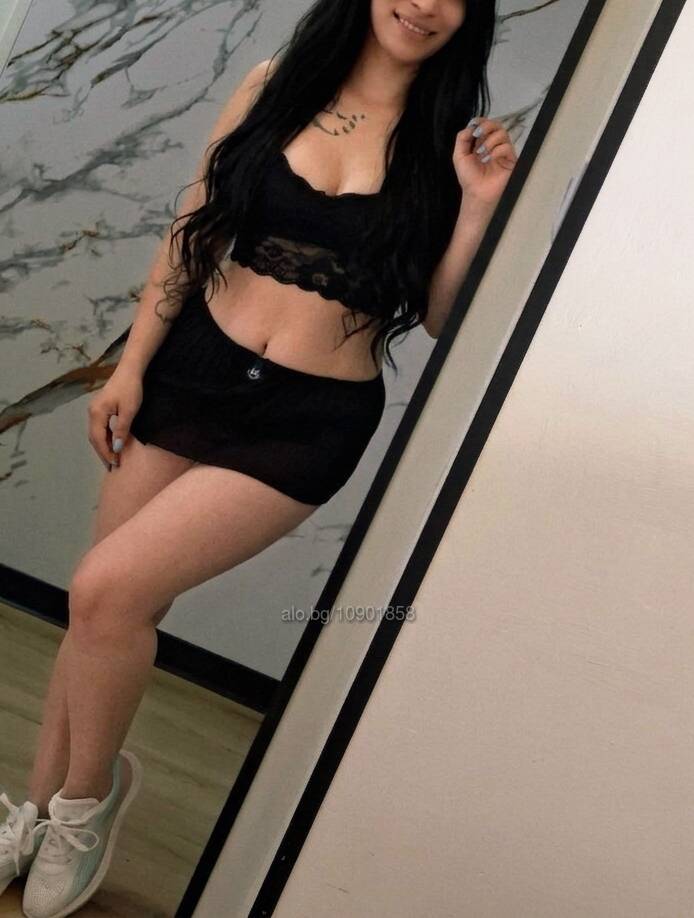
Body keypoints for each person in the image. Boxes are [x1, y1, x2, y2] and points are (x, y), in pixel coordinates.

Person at [1, 1, 516, 914]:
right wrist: (131, 368)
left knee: (105, 592)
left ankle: (87, 804)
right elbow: (193, 233)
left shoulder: (449, 144)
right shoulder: (276, 85)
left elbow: (442, 318)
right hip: (191, 372)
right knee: (100, 608)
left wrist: (476, 208)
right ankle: (36, 812)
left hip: (305, 421)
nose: (424, 3)